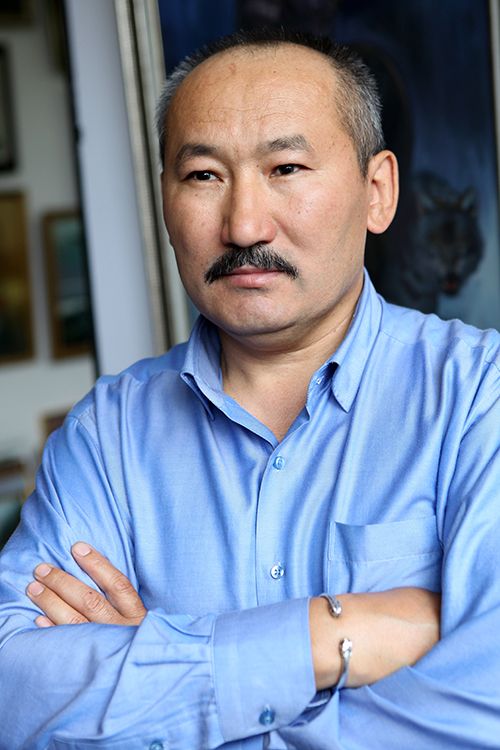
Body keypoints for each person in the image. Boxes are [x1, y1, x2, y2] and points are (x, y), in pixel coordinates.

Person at [0, 28, 499, 749]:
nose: (242, 225)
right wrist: (325, 636)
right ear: (164, 198)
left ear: (378, 192)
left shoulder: (478, 397)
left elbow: (483, 713)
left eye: (286, 167)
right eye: (204, 176)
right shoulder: (106, 436)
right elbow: (14, 693)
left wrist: (157, 672)